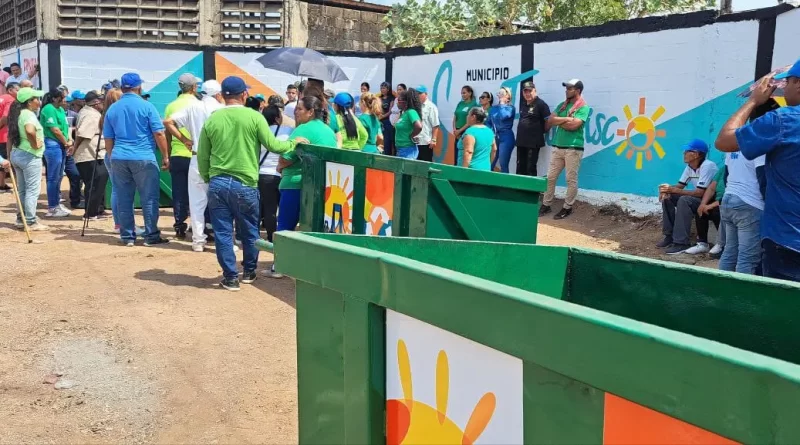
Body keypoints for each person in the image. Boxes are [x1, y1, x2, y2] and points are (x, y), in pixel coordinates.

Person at [197, 76, 303, 291]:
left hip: (218, 182)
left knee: (223, 233)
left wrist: (209, 178)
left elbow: (203, 156)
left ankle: (230, 277)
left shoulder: (213, 119)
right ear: (244, 95)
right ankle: (249, 271)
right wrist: (294, 142)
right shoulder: (255, 117)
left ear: (222, 95)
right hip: (245, 183)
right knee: (250, 230)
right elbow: (274, 145)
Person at [715, 60, 800, 282]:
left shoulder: (783, 121)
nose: (784, 90)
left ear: (798, 84)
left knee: (741, 255)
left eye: (787, 83)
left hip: (788, 240)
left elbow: (724, 141)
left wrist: (753, 101)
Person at [103, 72, 171, 247]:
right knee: (149, 198)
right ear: (139, 87)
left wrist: (111, 156)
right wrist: (165, 156)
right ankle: (151, 235)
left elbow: (108, 138)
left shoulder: (113, 108)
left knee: (124, 198)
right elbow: (159, 133)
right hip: (143, 156)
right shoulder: (147, 106)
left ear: (123, 87)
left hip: (119, 156)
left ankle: (127, 236)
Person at [272, 96, 337, 278]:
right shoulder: (328, 131)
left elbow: (286, 157)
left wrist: (279, 167)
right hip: (320, 187)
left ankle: (280, 266)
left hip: (295, 183)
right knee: (312, 229)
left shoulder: (302, 129)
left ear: (310, 112)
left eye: (299, 109)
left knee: (285, 226)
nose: (296, 112)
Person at [164, 79, 225, 252]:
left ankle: (198, 241)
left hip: (197, 157)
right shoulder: (221, 109)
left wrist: (184, 139)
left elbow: (168, 122)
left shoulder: (192, 107)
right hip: (218, 159)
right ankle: (223, 240)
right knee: (221, 202)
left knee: (197, 202)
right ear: (218, 94)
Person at [657, 138, 719, 255]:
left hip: (709, 202)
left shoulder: (708, 166)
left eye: (687, 151)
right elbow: (680, 186)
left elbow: (700, 193)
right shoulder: (690, 166)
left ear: (696, 154)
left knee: (684, 200)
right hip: (699, 199)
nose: (684, 153)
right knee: (668, 197)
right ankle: (669, 235)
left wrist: (675, 190)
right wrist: (667, 189)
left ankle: (681, 243)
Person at [540, 79, 590, 220]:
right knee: (550, 177)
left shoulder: (583, 107)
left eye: (570, 88)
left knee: (570, 179)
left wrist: (559, 121)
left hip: (573, 148)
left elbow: (573, 126)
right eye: (566, 88)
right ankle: (546, 204)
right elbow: (550, 120)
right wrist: (567, 119)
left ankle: (567, 207)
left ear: (578, 90)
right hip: (558, 147)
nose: (566, 90)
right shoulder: (562, 105)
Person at [164, 74, 200, 240]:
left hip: (177, 155)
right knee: (199, 193)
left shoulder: (171, 106)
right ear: (194, 87)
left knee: (179, 192)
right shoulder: (198, 104)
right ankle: (199, 226)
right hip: (196, 155)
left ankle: (179, 225)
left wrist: (167, 154)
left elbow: (167, 131)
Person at [9, 87, 47, 230]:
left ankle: (21, 218)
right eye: (36, 99)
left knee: (23, 189)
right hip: (29, 155)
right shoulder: (29, 115)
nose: (39, 101)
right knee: (32, 190)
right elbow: (30, 130)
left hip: (17, 153)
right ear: (29, 102)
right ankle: (30, 221)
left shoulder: (18, 114)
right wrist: (36, 143)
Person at [73, 91, 109, 220]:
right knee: (94, 184)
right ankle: (91, 213)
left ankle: (97, 210)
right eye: (102, 101)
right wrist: (74, 148)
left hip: (93, 154)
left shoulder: (90, 112)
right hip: (90, 154)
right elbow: (82, 134)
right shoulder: (90, 114)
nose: (104, 103)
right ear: (96, 102)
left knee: (97, 183)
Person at [260, 103, 292, 242]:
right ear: (278, 118)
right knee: (284, 209)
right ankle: (284, 237)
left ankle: (271, 237)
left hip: (263, 174)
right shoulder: (288, 130)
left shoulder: (260, 132)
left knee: (269, 208)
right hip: (282, 173)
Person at [40, 88, 74, 218]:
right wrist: (66, 143)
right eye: (63, 97)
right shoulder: (48, 109)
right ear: (55, 98)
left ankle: (56, 204)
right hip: (53, 144)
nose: (65, 100)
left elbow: (66, 127)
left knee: (59, 176)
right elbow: (55, 130)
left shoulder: (60, 109)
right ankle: (52, 207)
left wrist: (69, 140)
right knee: (53, 177)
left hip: (61, 144)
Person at [697, 166, 727, 260]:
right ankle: (702, 243)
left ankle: (722, 244)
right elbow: (711, 188)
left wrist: (711, 205)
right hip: (718, 200)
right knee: (701, 209)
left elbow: (730, 195)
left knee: (716, 212)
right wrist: (703, 204)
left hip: (728, 201)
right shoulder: (723, 169)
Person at [488, 87, 518, 173]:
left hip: (506, 137)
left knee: (503, 164)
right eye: (500, 93)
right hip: (495, 137)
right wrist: (490, 132)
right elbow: (488, 122)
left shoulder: (511, 108)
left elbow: (502, 116)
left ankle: (505, 181)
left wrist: (502, 103)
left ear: (508, 95)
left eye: (503, 93)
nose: (500, 94)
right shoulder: (494, 108)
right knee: (490, 163)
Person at [0, 82, 20, 191]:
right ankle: (18, 186)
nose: (19, 92)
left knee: (2, 159)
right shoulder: (10, 100)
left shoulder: (2, 98)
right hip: (5, 134)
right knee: (9, 160)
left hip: (2, 135)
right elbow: (5, 117)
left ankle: (2, 184)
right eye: (17, 90)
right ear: (10, 90)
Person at [394, 89, 423, 160]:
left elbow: (419, 126)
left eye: (399, 101)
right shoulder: (404, 113)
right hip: (400, 149)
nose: (397, 103)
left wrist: (412, 135)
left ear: (406, 102)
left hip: (408, 149)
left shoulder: (411, 112)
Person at [414, 86, 439, 162]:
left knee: (425, 165)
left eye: (419, 93)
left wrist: (434, 140)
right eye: (416, 93)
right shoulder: (414, 106)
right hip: (414, 142)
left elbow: (435, 125)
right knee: (414, 165)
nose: (417, 95)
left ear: (426, 94)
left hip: (425, 142)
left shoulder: (431, 107)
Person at [379, 82, 396, 156]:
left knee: (389, 140)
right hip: (380, 122)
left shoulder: (391, 98)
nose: (382, 90)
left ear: (388, 89)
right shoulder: (379, 98)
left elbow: (390, 111)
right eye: (381, 88)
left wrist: (382, 117)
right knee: (382, 140)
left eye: (384, 88)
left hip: (388, 122)